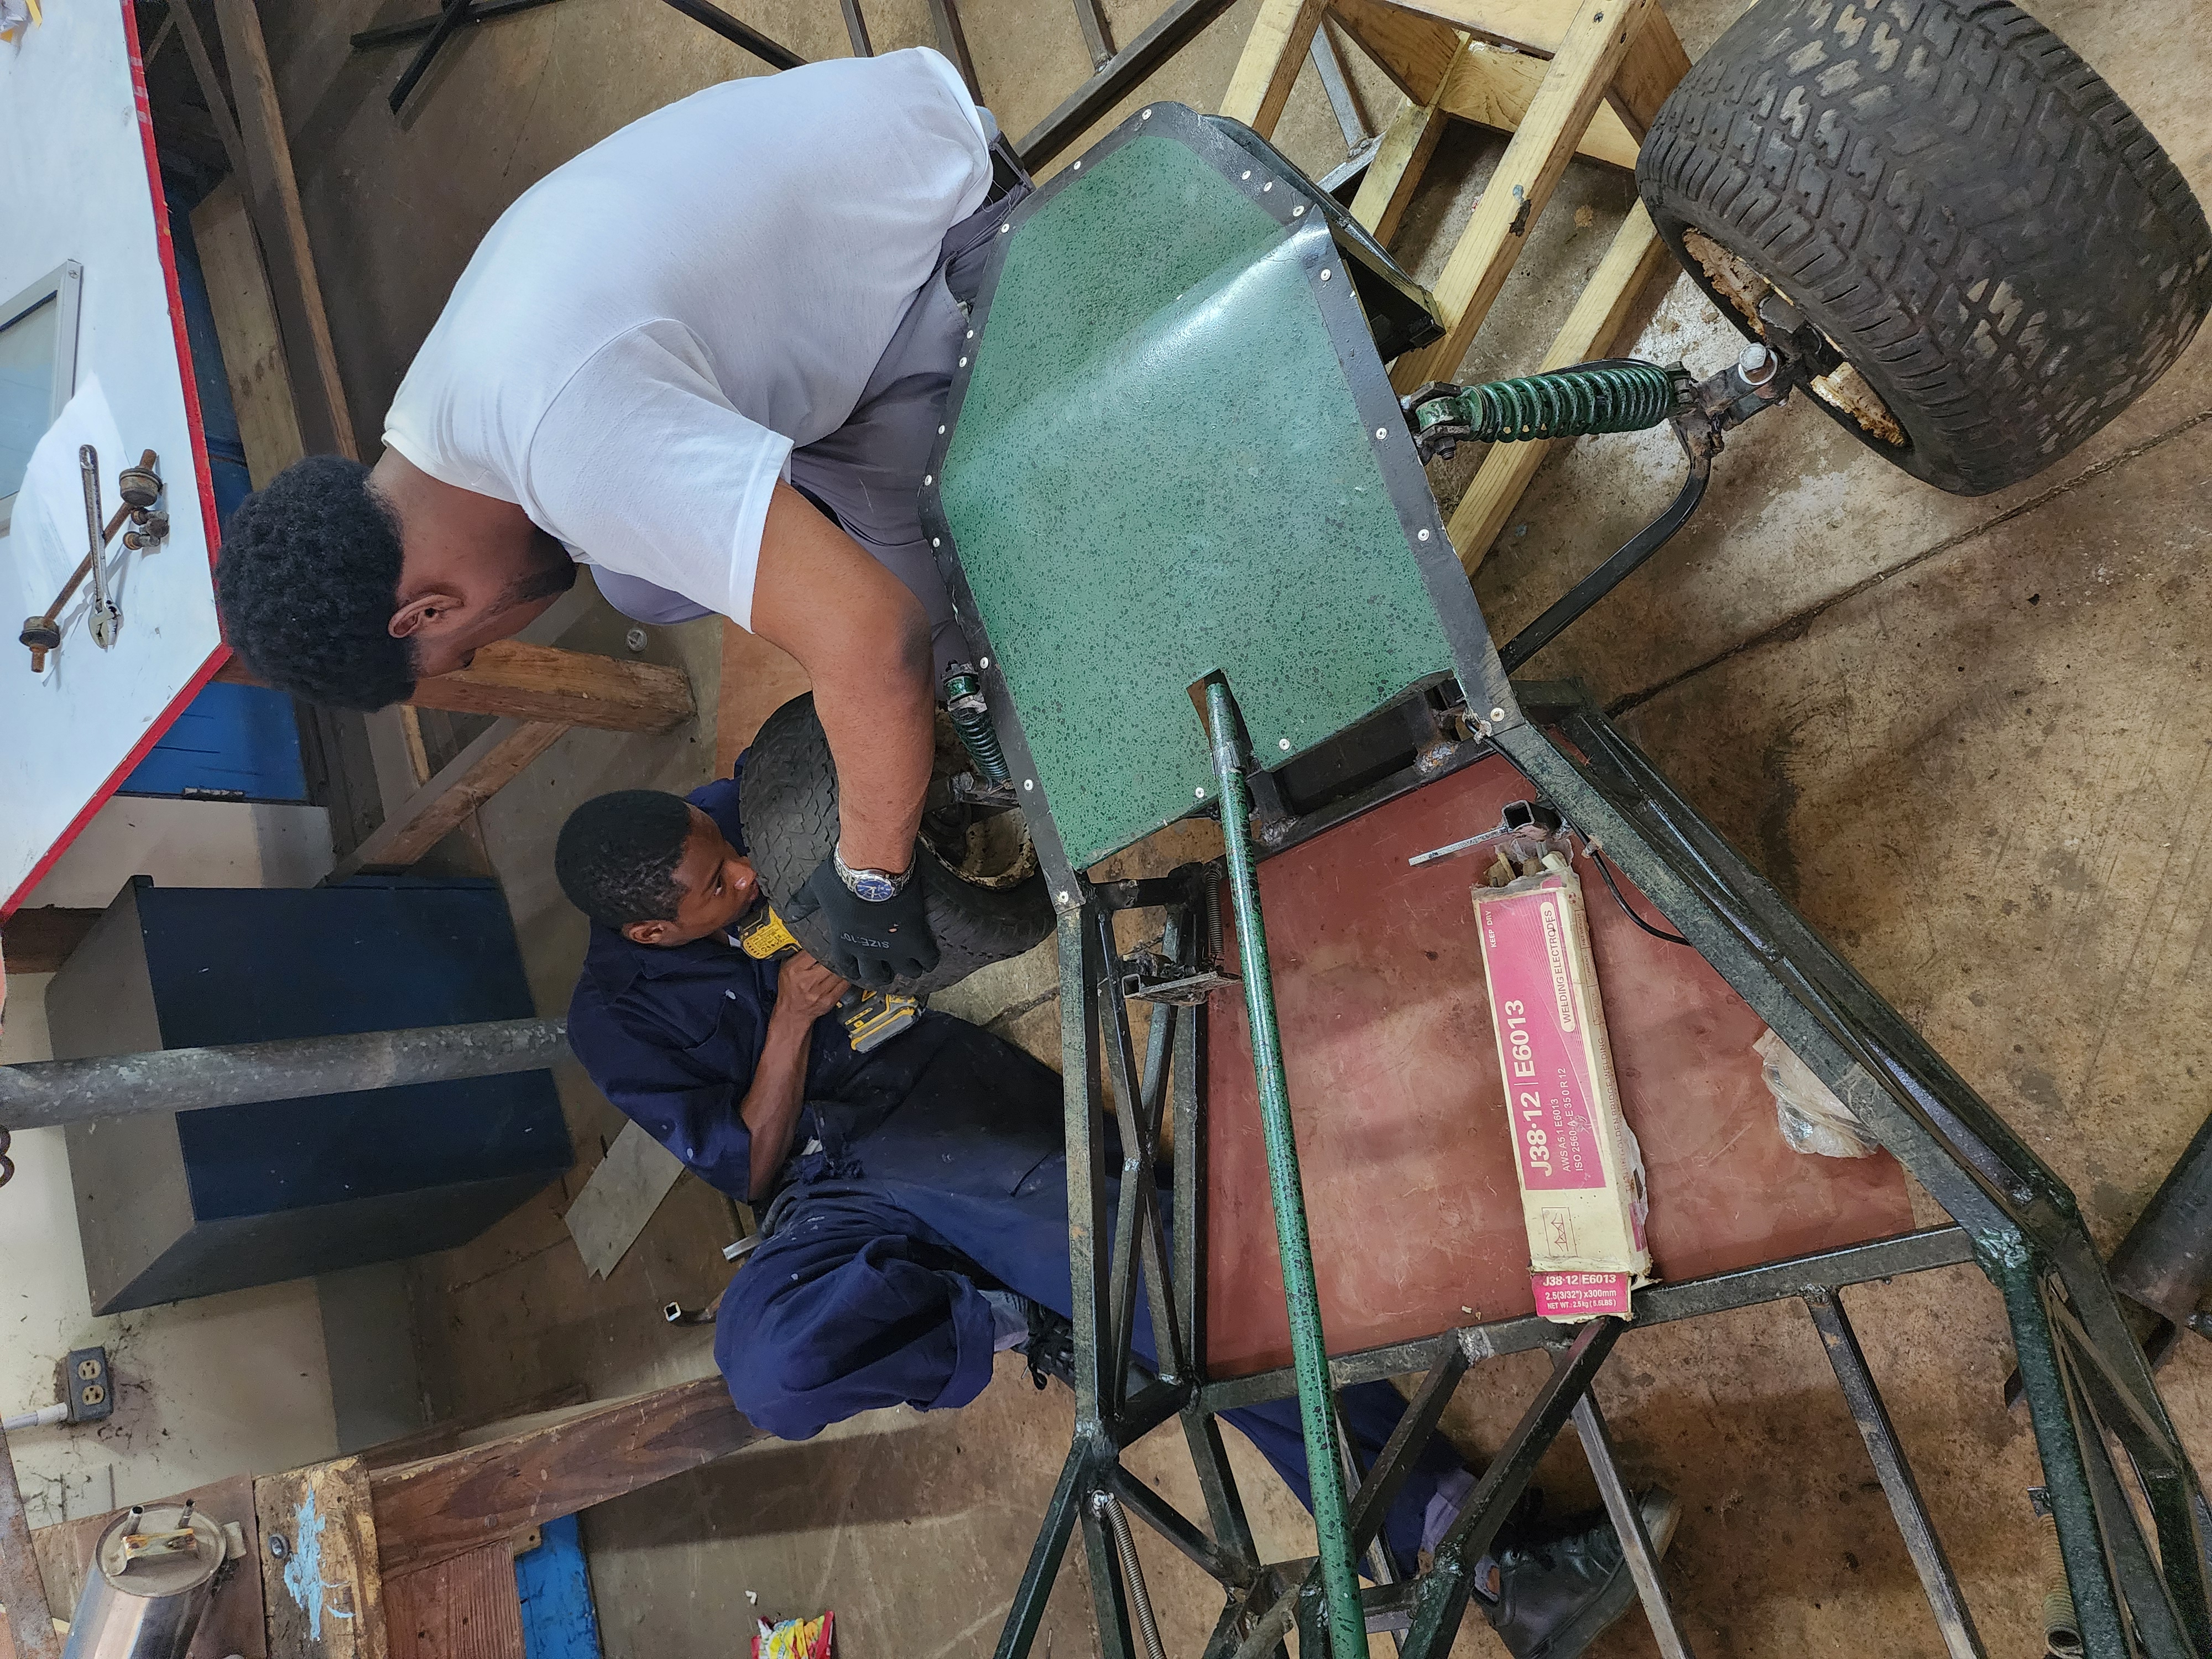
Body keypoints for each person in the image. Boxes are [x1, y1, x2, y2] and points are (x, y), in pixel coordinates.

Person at [554, 770, 1682, 1658]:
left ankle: (1472, 1548)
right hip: (817, 1177)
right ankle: (1004, 1314)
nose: (747, 870)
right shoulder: (614, 1023)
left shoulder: (732, 816)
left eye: (728, 850)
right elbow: (747, 1165)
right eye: (718, 884)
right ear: (651, 934)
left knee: (1170, 1299)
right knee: (768, 1373)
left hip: (923, 1097)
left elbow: (851, 787)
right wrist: (793, 1022)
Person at [216, 50, 1040, 989]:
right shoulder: (435, 429)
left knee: (977, 655)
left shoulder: (563, 437)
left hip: (945, 237)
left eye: (470, 650)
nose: (495, 644)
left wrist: (875, 875)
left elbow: (878, 644)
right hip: (842, 225)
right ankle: (836, 547)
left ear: (426, 612)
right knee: (636, 579)